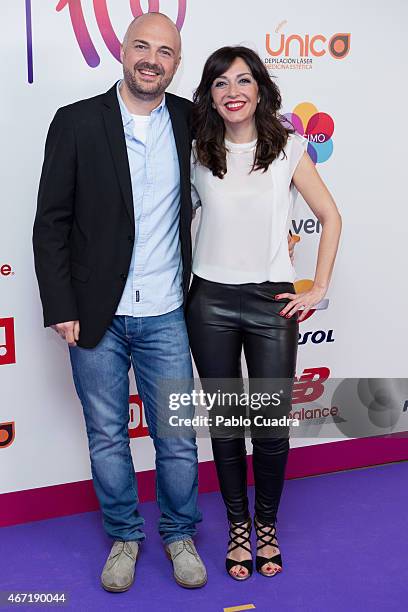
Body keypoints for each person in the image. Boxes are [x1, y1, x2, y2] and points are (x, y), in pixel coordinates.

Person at [32, 12, 208, 592]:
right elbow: (51, 224)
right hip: (94, 316)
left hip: (166, 313)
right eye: (142, 46)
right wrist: (61, 304)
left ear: (176, 65)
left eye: (165, 51)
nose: (151, 59)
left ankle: (180, 533)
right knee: (107, 436)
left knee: (177, 438)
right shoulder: (77, 122)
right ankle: (125, 536)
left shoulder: (190, 119)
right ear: (123, 51)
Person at [186, 46, 342, 581]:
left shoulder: (289, 148)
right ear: (210, 94)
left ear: (260, 90)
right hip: (208, 301)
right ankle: (236, 525)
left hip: (271, 301)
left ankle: (266, 524)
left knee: (270, 427)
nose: (233, 91)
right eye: (221, 82)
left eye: (243, 80)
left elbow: (330, 215)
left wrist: (316, 287)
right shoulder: (195, 150)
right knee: (228, 426)